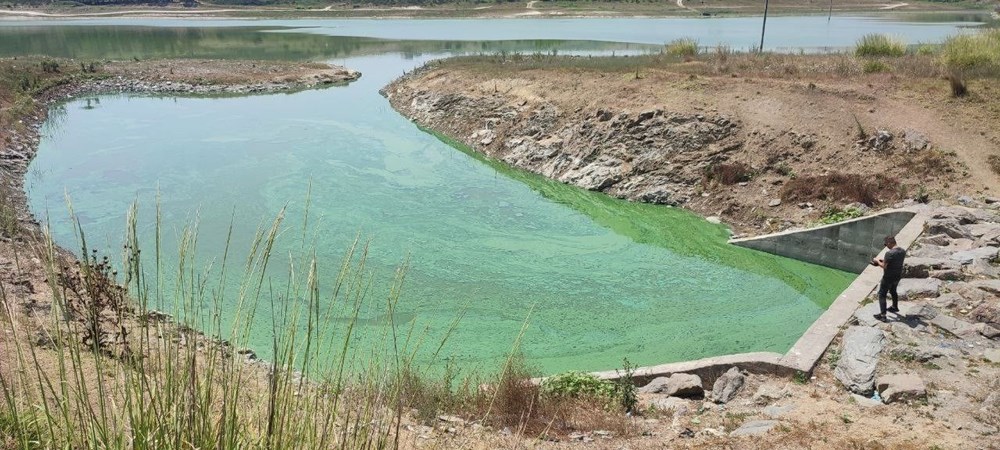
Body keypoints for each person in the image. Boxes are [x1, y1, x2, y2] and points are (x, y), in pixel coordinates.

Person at [872, 235, 906, 322]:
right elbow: (894, 262)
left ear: (889, 243)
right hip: (897, 276)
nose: (886, 246)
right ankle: (895, 307)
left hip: (888, 277)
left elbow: (884, 266)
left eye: (885, 244)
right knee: (893, 291)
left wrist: (877, 261)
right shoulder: (902, 251)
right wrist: (883, 261)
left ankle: (883, 315)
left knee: (882, 294)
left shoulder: (889, 253)